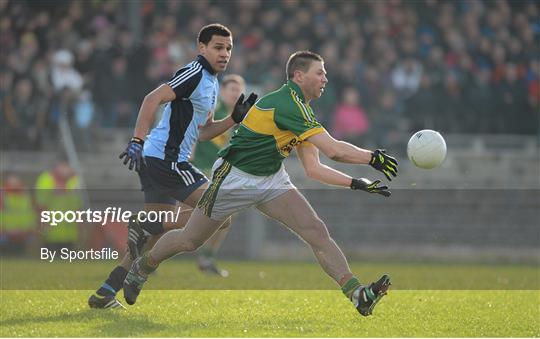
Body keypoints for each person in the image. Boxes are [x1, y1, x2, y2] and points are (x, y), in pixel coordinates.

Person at [123, 51, 399, 317]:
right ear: (299, 76)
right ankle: (143, 266)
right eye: (320, 73)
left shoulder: (302, 109)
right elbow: (335, 150)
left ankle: (357, 294)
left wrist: (355, 182)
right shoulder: (287, 103)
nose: (326, 79)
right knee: (189, 240)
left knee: (316, 230)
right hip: (235, 179)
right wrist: (372, 157)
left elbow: (314, 169)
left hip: (270, 179)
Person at [88, 23, 257, 309]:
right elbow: (151, 98)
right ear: (201, 48)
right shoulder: (194, 73)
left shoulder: (211, 83)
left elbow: (202, 132)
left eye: (228, 48)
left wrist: (232, 120)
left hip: (159, 160)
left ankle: (106, 292)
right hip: (167, 160)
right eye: (218, 47)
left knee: (152, 238)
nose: (224, 53)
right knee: (222, 211)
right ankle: (144, 227)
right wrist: (136, 140)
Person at [191, 74, 246, 276]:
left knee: (227, 215)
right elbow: (196, 131)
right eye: (232, 89)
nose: (236, 93)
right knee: (182, 218)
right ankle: (147, 252)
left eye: (239, 90)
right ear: (222, 91)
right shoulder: (213, 110)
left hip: (221, 173)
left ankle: (207, 256)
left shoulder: (242, 118)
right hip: (200, 169)